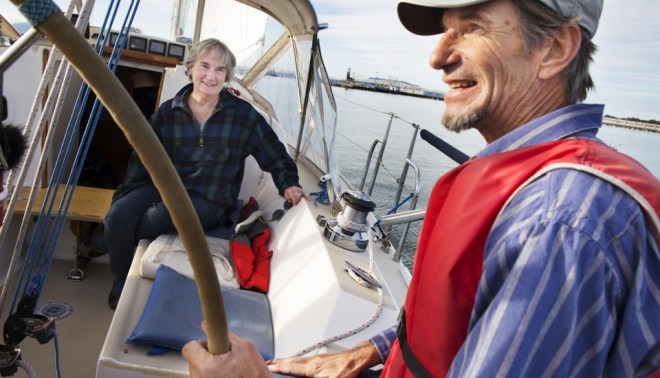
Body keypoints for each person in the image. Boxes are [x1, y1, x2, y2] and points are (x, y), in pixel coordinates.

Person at [185, 0, 660, 376]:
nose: (437, 56)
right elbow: (456, 320)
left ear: (554, 49)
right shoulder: (525, 180)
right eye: (445, 29)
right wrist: (370, 351)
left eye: (471, 27)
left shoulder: (562, 222)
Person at [103, 38, 310, 310]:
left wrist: (289, 184)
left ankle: (107, 242)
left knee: (157, 216)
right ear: (190, 68)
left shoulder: (242, 116)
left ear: (227, 77)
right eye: (205, 66)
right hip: (167, 187)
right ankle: (120, 275)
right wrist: (132, 192)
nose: (211, 76)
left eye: (220, 70)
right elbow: (144, 155)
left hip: (211, 200)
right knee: (118, 214)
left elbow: (273, 152)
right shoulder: (169, 111)